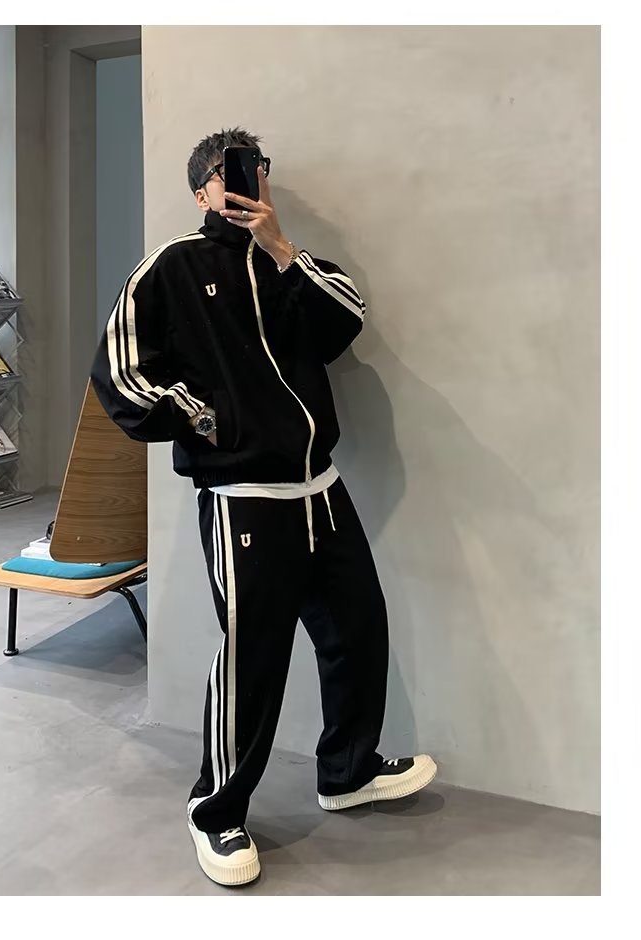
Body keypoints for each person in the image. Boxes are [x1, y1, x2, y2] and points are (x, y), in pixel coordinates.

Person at [91, 127, 437, 887]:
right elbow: (118, 370)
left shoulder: (290, 264)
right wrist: (203, 416)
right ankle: (215, 811)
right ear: (201, 190)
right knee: (254, 658)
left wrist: (281, 248)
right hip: (244, 499)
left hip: (322, 488)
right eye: (227, 173)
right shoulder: (172, 268)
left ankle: (346, 771)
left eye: (254, 169)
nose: (245, 182)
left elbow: (345, 321)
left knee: (357, 630)